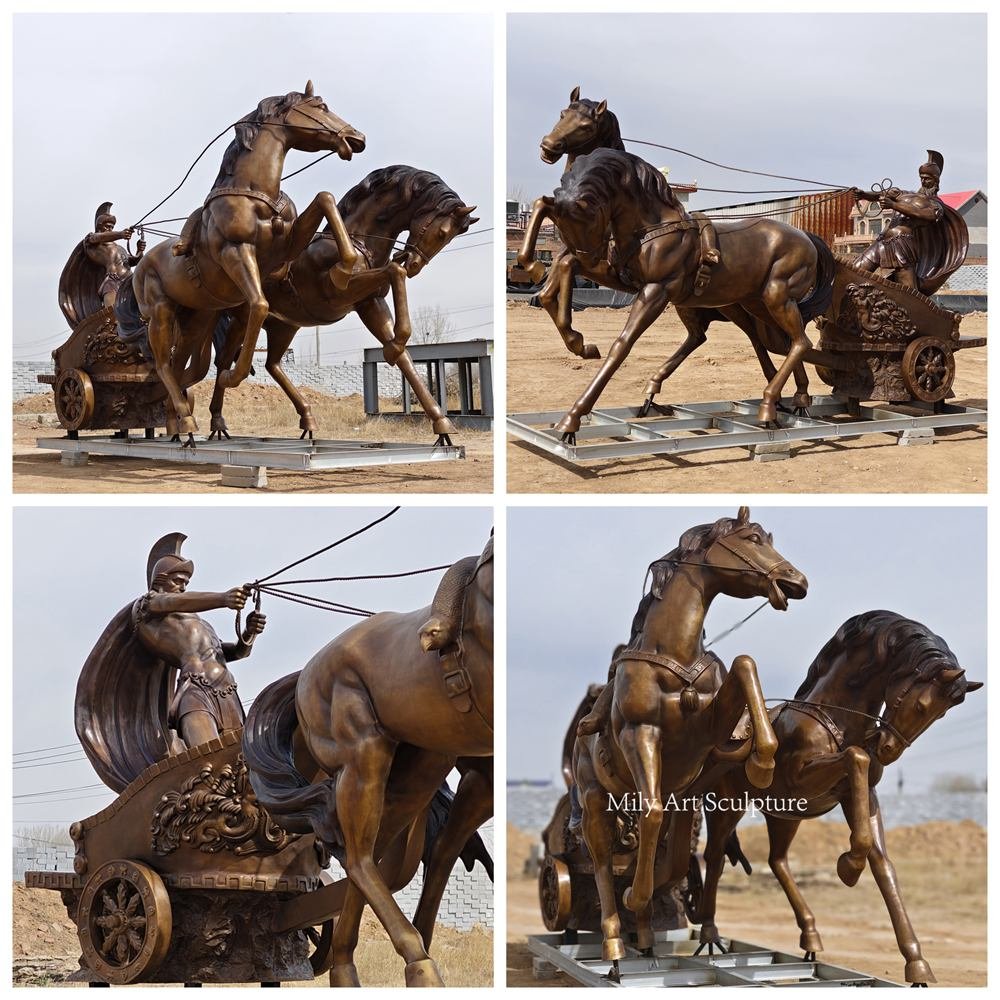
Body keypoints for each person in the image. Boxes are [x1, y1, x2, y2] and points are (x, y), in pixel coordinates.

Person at [132, 551, 266, 748]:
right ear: (159, 580)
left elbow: (238, 652)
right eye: (178, 581)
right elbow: (171, 601)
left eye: (186, 582)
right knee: (207, 756)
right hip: (195, 690)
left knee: (243, 758)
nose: (183, 587)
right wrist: (223, 599)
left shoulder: (201, 624)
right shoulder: (147, 606)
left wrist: (249, 632)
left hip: (227, 691)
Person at [853, 151, 948, 290]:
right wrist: (864, 194)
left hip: (902, 245)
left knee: (909, 292)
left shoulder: (935, 204)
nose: (923, 181)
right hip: (883, 241)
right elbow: (880, 194)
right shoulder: (905, 194)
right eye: (921, 178)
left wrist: (893, 205)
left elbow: (923, 214)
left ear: (936, 180)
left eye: (927, 179)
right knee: (855, 271)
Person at [84, 202, 146, 308]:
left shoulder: (119, 248)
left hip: (130, 280)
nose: (110, 229)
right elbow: (99, 237)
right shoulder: (92, 241)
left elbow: (134, 261)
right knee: (112, 312)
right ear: (99, 226)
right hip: (113, 282)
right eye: (107, 226)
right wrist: (120, 234)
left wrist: (139, 250)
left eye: (112, 227)